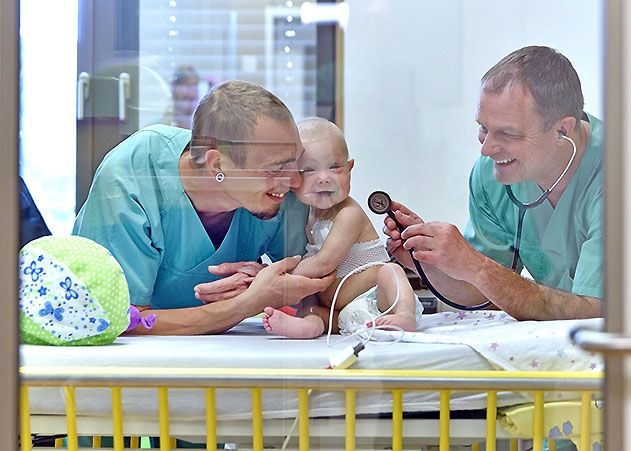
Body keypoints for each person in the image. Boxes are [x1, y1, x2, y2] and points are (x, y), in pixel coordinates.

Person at [73, 80, 333, 335]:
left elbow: (323, 290)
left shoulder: (281, 189)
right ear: (217, 164)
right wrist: (245, 304)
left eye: (296, 162)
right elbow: (120, 320)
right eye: (277, 169)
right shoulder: (132, 178)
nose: (296, 181)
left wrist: (266, 282)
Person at [384, 46, 602, 321]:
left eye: (507, 133)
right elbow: (483, 292)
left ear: (562, 130)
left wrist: (476, 266)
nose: (486, 149)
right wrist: (428, 260)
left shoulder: (615, 176)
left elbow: (597, 312)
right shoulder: (493, 175)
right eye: (483, 128)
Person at [263, 117, 423, 339]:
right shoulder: (306, 214)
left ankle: (405, 315)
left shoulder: (349, 213)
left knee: (391, 271)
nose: (324, 178)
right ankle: (311, 325)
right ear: (293, 178)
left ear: (350, 168)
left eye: (335, 167)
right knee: (309, 303)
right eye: (309, 170)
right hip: (342, 312)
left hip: (379, 299)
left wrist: (275, 274)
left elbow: (323, 263)